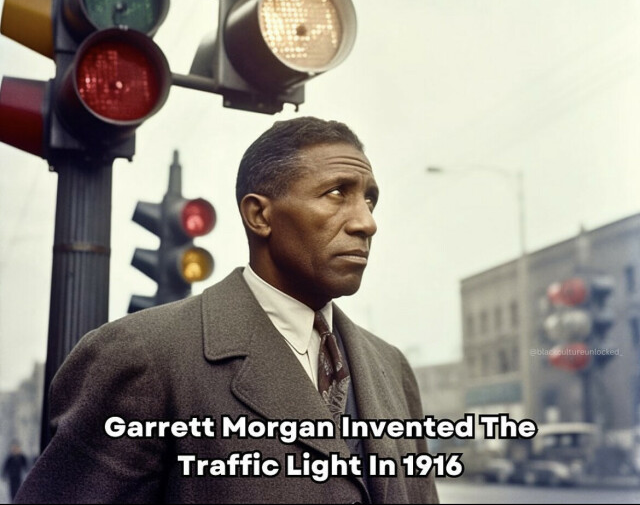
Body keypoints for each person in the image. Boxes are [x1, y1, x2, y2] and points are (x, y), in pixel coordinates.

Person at [16, 117, 439, 504]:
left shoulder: (391, 368)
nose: (366, 222)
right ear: (259, 215)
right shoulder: (144, 356)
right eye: (336, 194)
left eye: (370, 200)